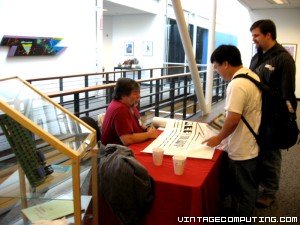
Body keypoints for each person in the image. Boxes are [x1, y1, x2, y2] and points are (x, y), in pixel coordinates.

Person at [202, 45, 262, 222]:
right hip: (251, 140)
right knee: (246, 185)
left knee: (243, 189)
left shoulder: (237, 84)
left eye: (217, 67)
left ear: (226, 64)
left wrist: (218, 138)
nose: (218, 72)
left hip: (242, 147)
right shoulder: (251, 75)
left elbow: (234, 119)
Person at [249, 19, 297, 208]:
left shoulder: (283, 59)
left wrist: (286, 120)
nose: (253, 39)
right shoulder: (257, 56)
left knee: (271, 155)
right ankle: (258, 185)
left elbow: (287, 94)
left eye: (256, 35)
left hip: (274, 117)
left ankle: (269, 192)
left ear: (268, 35)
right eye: (252, 35)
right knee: (257, 152)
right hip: (256, 113)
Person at [101, 77, 158, 146]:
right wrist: (148, 135)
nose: (139, 96)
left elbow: (138, 123)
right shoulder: (120, 109)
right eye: (135, 93)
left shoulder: (129, 104)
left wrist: (147, 128)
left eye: (138, 92)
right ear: (123, 95)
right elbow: (127, 139)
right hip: (117, 152)